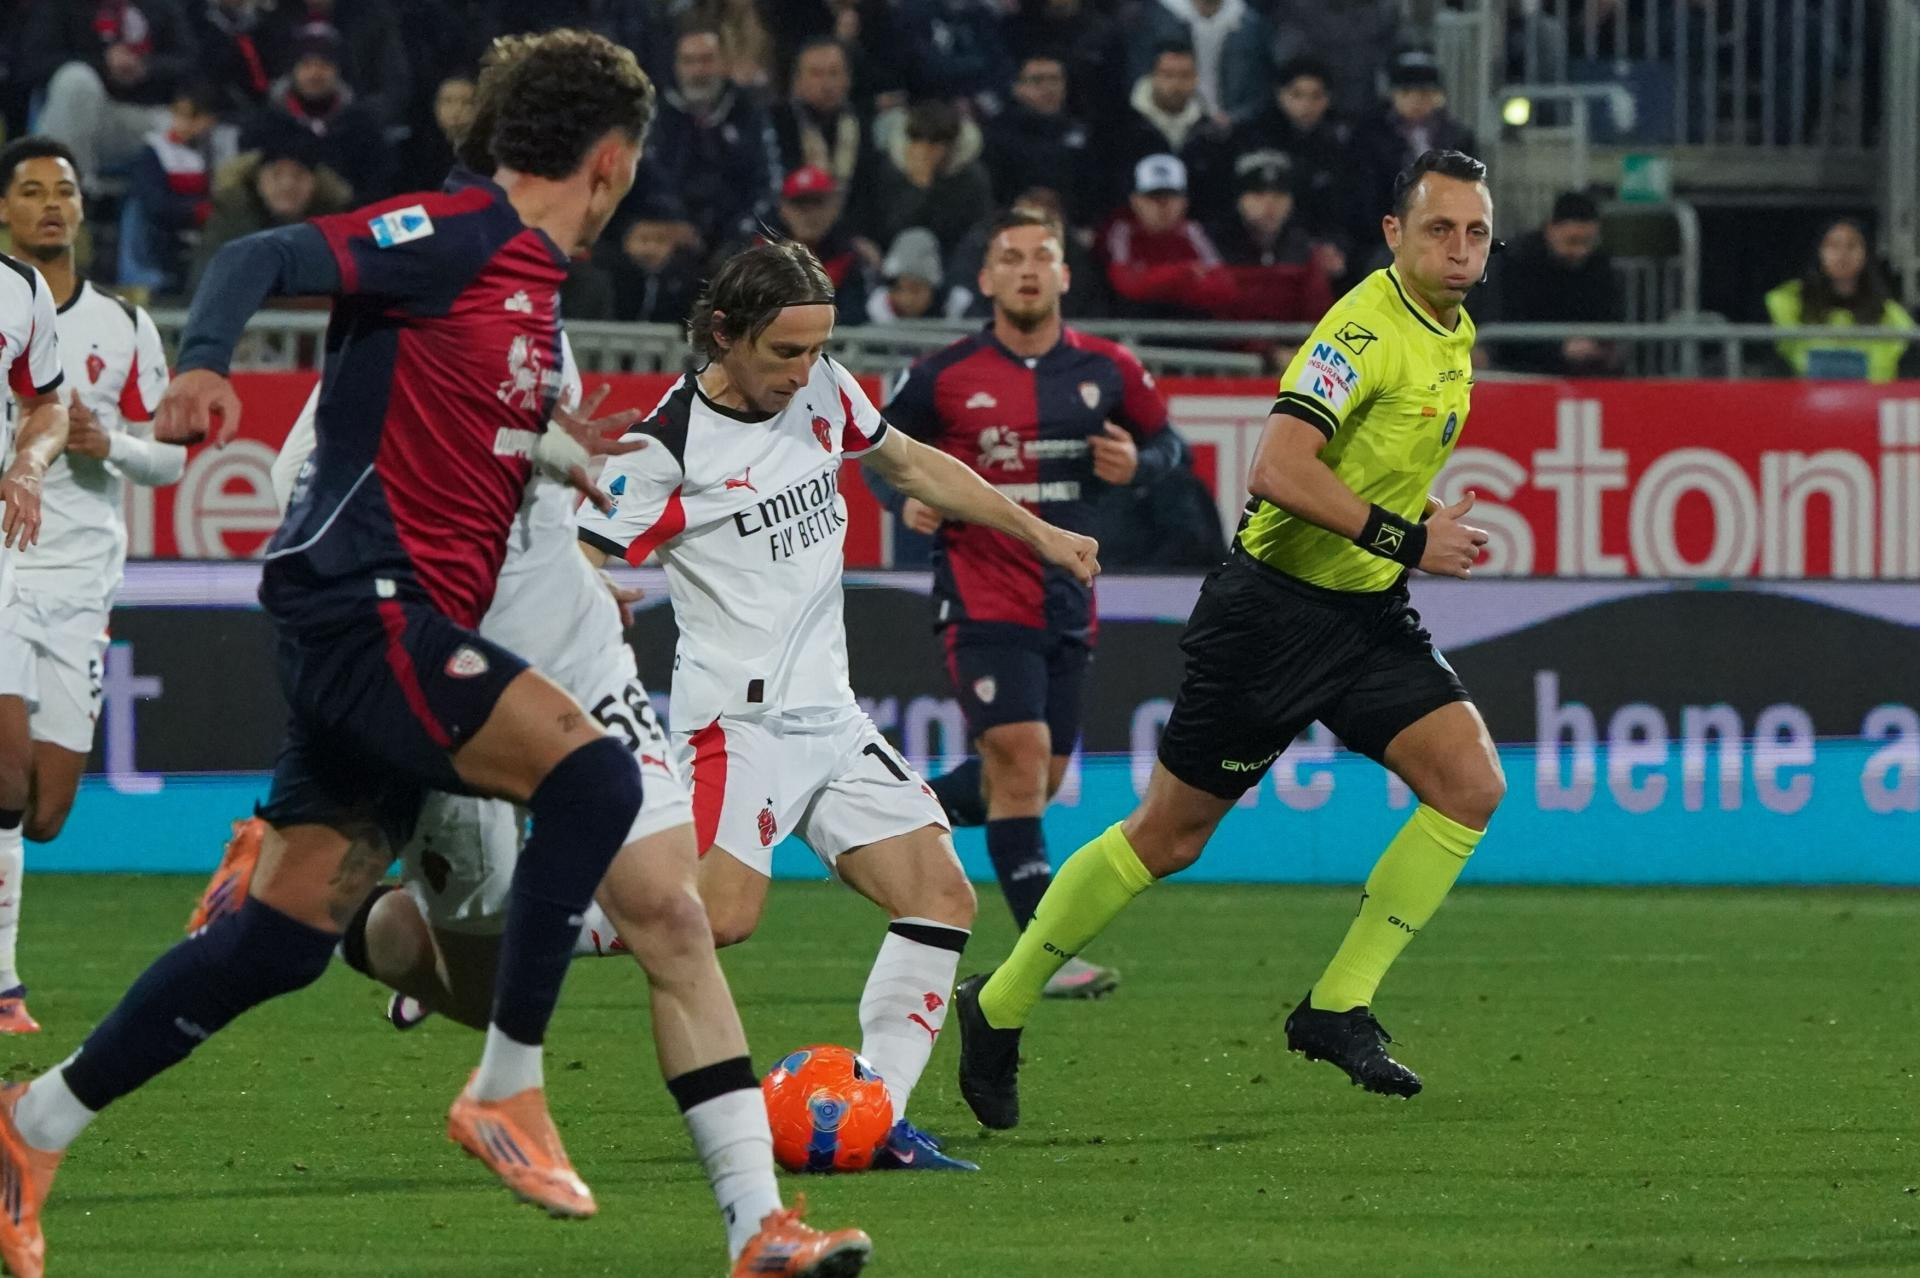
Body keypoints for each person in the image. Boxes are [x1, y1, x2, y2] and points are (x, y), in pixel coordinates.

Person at [0, 31, 868, 1278]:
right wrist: (202, 367)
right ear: (611, 162)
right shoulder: (461, 237)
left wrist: (558, 453)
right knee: (587, 787)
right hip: (372, 613)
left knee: (290, 939)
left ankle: (32, 1128)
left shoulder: (529, 290)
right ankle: (506, 1085)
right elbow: (257, 255)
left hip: (428, 628)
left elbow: (469, 425)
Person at [955, 150, 1504, 1130]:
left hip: (1366, 613)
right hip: (1272, 618)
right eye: (1439, 229)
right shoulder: (1361, 330)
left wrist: (1409, 522)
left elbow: (1363, 463)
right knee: (1167, 838)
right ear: (1393, 234)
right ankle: (996, 1007)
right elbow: (1277, 469)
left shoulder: (1451, 330)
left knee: (1470, 785)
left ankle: (1336, 1008)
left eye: (1476, 233)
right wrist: (1410, 539)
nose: (1460, 250)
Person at [575, 240, 1101, 1173]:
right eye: (786, 351)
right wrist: (590, 590)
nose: (804, 370)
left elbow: (913, 466)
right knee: (718, 919)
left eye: (818, 348)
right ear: (724, 334)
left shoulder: (821, 390)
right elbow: (576, 551)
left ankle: (874, 1118)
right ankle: (506, 929)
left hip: (832, 718)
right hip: (736, 724)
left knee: (940, 895)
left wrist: (1037, 531)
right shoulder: (667, 448)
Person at [882, 206, 1184, 998]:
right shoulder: (943, 374)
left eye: (1040, 256)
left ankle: (880, 811)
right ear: (986, 278)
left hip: (1068, 598)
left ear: (1063, 274)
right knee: (1018, 761)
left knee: (1031, 781)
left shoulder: (1108, 368)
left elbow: (1170, 446)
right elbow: (876, 450)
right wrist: (903, 503)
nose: (1025, 269)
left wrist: (1139, 464)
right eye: (1010, 257)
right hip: (980, 591)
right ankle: (1044, 959)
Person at [0, 136, 182, 1036]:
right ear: (4, 209)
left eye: (63, 190)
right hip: (6, 562)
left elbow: (173, 459)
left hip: (82, 581)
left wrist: (112, 445)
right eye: (31, 190)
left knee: (45, 813)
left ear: (81, 206)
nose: (50, 204)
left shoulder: (125, 327)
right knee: (4, 780)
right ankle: (4, 986)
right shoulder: (8, 301)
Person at [0, 242, 72, 1046]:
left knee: (10, 770)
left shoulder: (18, 289)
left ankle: (1, 981)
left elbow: (47, 405)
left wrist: (27, 461)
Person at [23, 0, 199, 185]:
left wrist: (146, 67)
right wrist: (103, 64)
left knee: (195, 127)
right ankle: (65, 189)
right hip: (85, 113)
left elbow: (189, 61)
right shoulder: (61, 5)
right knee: (76, 79)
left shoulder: (162, 5)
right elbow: (33, 64)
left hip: (145, 116)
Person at [642, 23, 779, 253]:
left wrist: (744, 230)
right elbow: (649, 181)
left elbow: (768, 182)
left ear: (723, 63)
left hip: (739, 238)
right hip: (672, 238)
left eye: (707, 60)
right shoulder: (657, 116)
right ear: (676, 66)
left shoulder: (748, 110)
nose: (698, 71)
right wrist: (671, 223)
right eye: (689, 61)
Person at [239, 20, 392, 201]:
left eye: (324, 65)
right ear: (293, 70)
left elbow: (378, 184)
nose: (314, 73)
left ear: (337, 71)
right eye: (306, 65)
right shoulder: (264, 126)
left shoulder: (361, 126)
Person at [189, 126, 351, 289]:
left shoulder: (334, 224)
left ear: (316, 184)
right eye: (276, 173)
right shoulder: (229, 218)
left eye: (299, 175)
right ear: (258, 179)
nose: (287, 185)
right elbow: (207, 284)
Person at [1484, 192, 1624, 376]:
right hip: (1522, 369)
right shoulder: (1517, 261)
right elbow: (1508, 325)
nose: (1581, 251)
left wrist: (1602, 345)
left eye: (1588, 242)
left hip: (1585, 370)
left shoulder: (1599, 265)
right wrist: (1560, 349)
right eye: (1572, 241)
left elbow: (1610, 315)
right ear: (1551, 230)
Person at [1764, 218, 1915, 383]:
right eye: (1833, 245)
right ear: (1819, 252)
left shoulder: (1891, 316)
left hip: (1871, 398)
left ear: (1866, 254)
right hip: (1804, 397)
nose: (1842, 254)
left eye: (1851, 246)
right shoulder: (1789, 304)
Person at [1101, 40, 1229, 221]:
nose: (1176, 84)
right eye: (1168, 75)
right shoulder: (1122, 127)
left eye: (1185, 75)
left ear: (1196, 78)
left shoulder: (1211, 134)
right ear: (1152, 76)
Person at [1355, 51, 1477, 235]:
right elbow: (1367, 196)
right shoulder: (1372, 138)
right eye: (1406, 93)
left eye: (1424, 94)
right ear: (1392, 96)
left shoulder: (1458, 138)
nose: (1415, 101)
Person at [1100, 153, 1234, 320]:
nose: (1163, 207)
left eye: (1171, 197)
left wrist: (1151, 280)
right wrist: (1184, 273)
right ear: (1135, 201)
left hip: (1189, 326)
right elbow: (1126, 286)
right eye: (1153, 198)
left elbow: (1224, 288)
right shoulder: (1123, 231)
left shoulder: (1192, 232)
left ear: (1185, 202)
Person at [120, 81, 220, 294]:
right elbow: (155, 203)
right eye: (178, 114)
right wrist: (195, 211)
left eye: (191, 117)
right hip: (161, 236)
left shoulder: (213, 151)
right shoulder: (155, 151)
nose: (182, 124)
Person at [869, 98, 994, 258]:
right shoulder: (891, 170)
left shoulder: (972, 175)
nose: (926, 152)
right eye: (919, 141)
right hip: (899, 256)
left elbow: (979, 227)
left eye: (935, 144)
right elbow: (888, 230)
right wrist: (919, 187)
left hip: (954, 255)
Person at [983, 54, 1093, 223]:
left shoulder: (1080, 131)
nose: (1048, 88)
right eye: (1037, 80)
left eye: (1055, 79)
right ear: (1017, 88)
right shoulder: (997, 134)